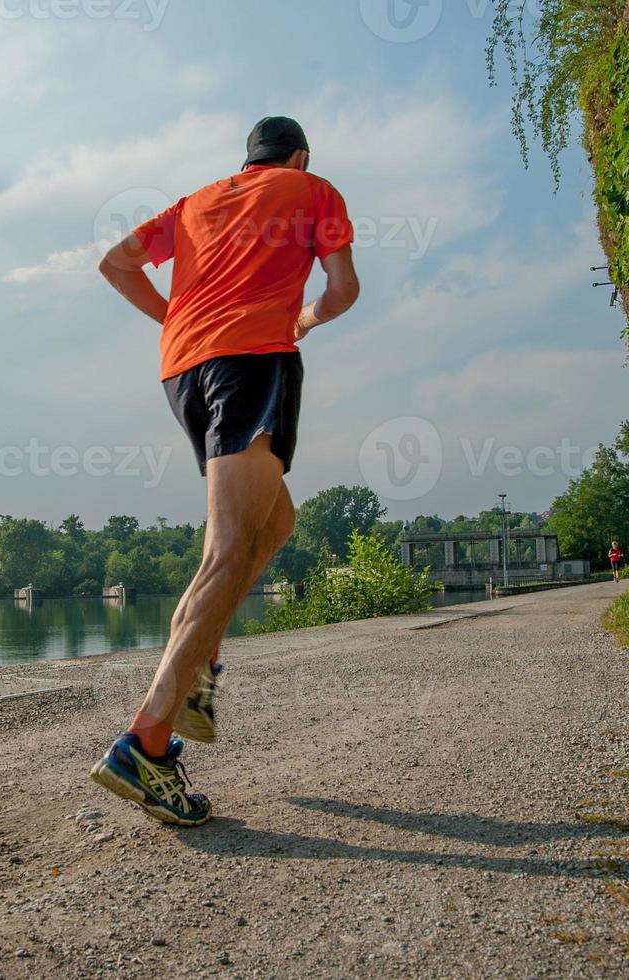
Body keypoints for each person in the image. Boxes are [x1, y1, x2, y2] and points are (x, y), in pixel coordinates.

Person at [89, 116, 361, 826]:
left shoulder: (194, 202)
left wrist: (177, 315)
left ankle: (200, 664)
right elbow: (341, 290)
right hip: (253, 360)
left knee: (277, 522)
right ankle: (144, 741)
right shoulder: (312, 188)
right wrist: (302, 320)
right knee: (230, 547)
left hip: (183, 368)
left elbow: (114, 263)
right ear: (296, 156)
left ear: (246, 161)